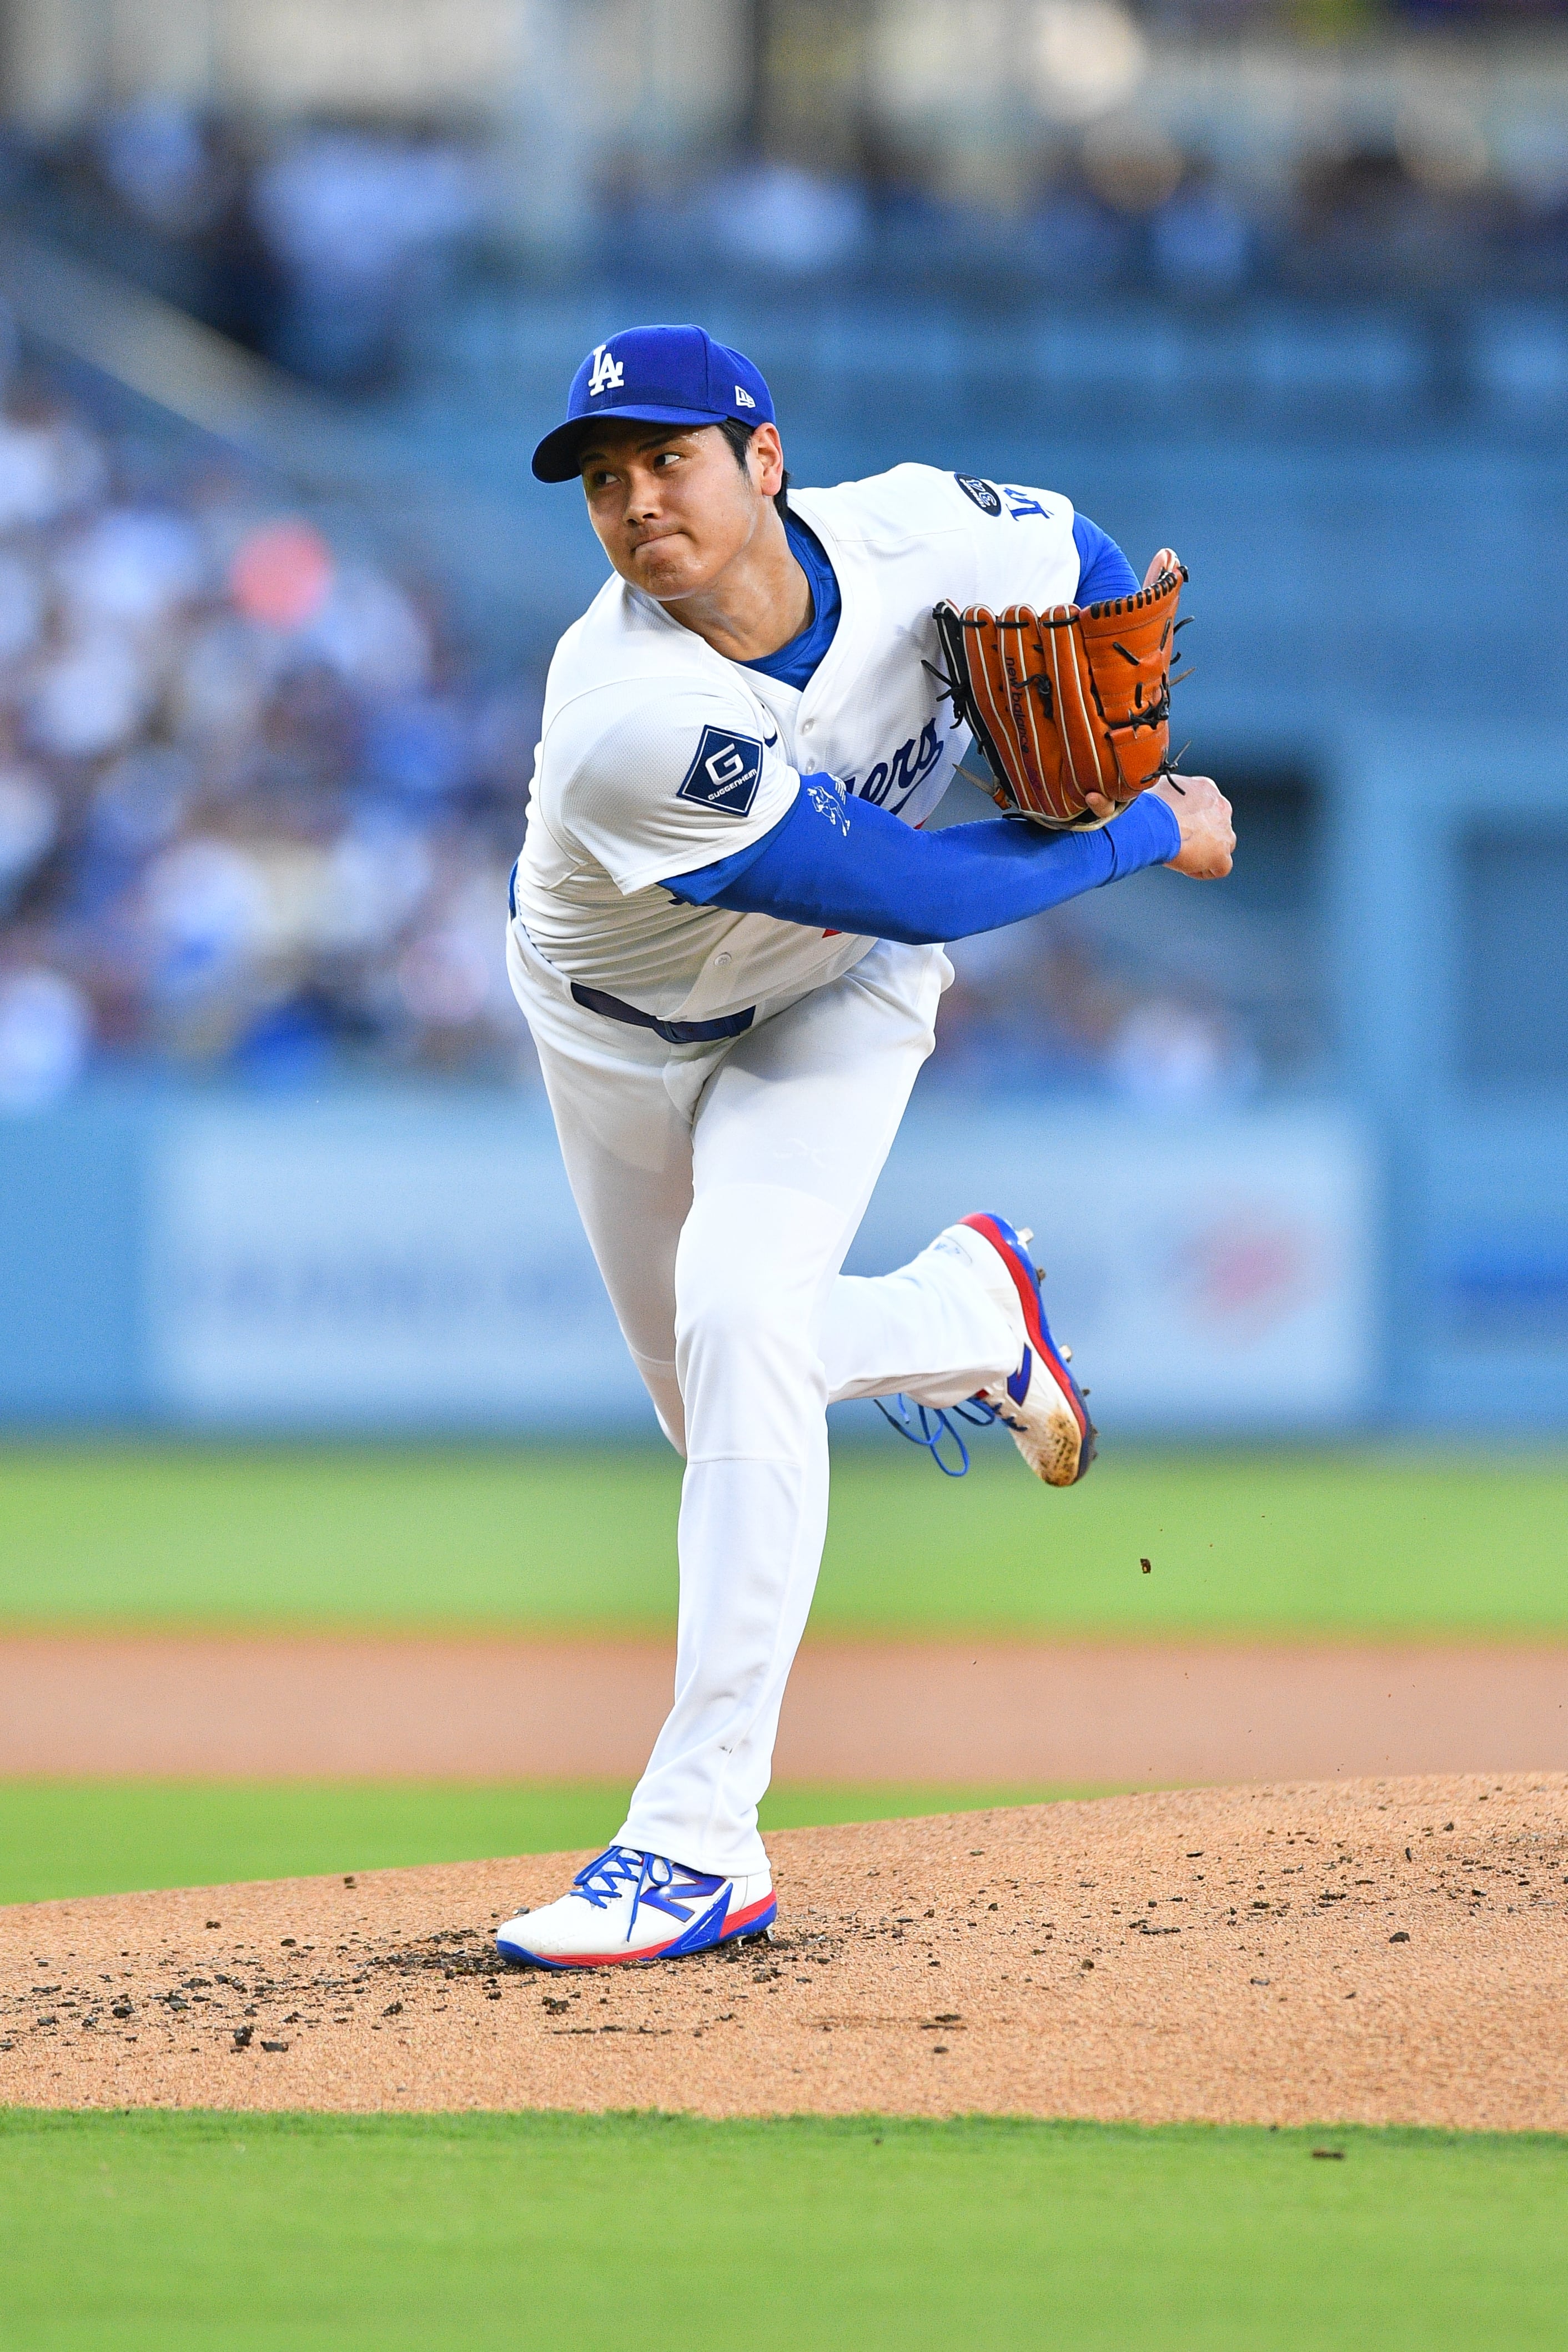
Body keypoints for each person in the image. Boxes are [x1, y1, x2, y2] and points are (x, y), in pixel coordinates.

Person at [496, 325, 1234, 1970]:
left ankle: (693, 1843)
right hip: (618, 1039)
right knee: (721, 1412)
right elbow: (905, 881)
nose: (635, 504)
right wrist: (1134, 823)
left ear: (765, 460)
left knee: (750, 1325)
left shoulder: (922, 534)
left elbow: (1082, 556)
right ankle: (974, 1316)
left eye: (668, 459)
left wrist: (1115, 708)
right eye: (603, 482)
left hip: (832, 1005)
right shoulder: (628, 703)